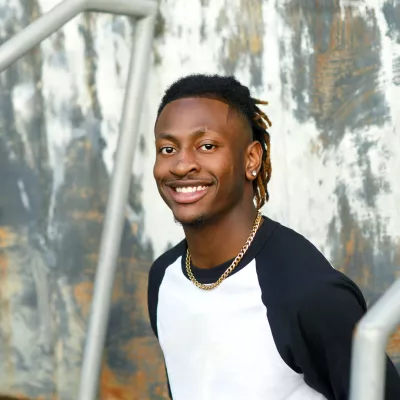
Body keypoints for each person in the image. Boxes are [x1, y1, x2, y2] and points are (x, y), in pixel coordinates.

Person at [147, 74, 400, 400]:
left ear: (251, 159)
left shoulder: (307, 293)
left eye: (207, 146)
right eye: (167, 148)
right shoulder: (164, 278)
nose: (181, 165)